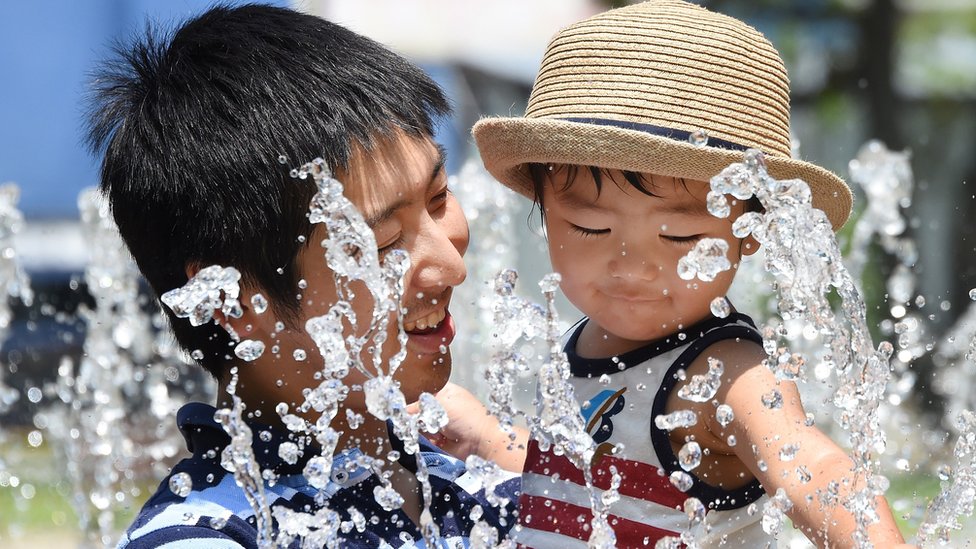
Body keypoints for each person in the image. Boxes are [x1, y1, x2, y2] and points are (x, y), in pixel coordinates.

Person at [470, 1, 912, 547]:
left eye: (680, 237)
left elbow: (814, 468)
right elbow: (580, 474)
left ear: (751, 230)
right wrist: (484, 436)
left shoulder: (723, 373)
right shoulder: (575, 345)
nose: (631, 265)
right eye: (589, 226)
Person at [86, 4, 517, 547]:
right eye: (381, 243)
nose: (451, 265)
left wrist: (503, 450)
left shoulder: (465, 471)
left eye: (438, 198)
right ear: (233, 299)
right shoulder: (215, 535)